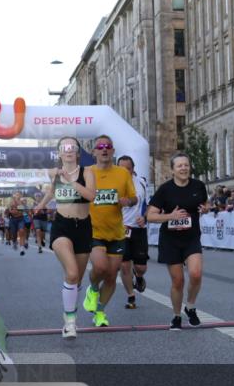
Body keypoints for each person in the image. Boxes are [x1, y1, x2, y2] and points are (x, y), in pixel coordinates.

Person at [33, 136, 97, 340]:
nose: (69, 150)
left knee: (77, 278)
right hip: (62, 225)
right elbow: (52, 192)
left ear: (78, 152)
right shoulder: (57, 174)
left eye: (73, 147)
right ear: (59, 153)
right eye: (64, 147)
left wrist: (71, 181)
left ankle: (70, 305)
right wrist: (40, 206)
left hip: (83, 227)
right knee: (71, 273)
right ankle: (70, 322)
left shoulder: (87, 172)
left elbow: (91, 196)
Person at [148, 152, 210, 330]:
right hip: (170, 240)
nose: (183, 168)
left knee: (196, 274)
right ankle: (176, 315)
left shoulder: (198, 186)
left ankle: (190, 307)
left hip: (191, 238)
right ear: (173, 170)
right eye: (179, 166)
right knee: (178, 281)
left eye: (186, 165)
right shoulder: (165, 189)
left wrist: (205, 209)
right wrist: (170, 216)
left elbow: (205, 204)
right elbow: (150, 216)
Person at [82, 135, 137, 327]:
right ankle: (93, 288)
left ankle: (99, 312)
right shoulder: (87, 172)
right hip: (93, 230)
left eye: (108, 147)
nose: (104, 149)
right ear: (94, 152)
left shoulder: (122, 173)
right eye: (100, 147)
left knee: (112, 275)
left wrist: (127, 201)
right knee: (100, 268)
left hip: (116, 232)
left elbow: (133, 198)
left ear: (113, 151)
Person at [118, 155, 149, 310]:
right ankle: (131, 296)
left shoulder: (141, 183)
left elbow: (148, 205)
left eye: (128, 168)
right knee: (124, 266)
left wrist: (145, 217)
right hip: (120, 229)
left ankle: (139, 276)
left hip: (138, 230)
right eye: (121, 168)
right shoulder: (113, 185)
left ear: (133, 169)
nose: (124, 171)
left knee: (141, 266)